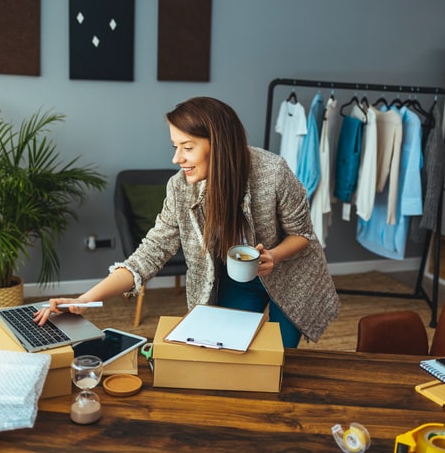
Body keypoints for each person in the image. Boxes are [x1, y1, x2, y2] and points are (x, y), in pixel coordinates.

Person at [34, 96, 340, 347]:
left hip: (289, 273)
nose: (176, 158)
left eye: (187, 147)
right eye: (175, 147)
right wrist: (85, 299)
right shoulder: (180, 188)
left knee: (279, 356)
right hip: (237, 277)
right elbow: (149, 254)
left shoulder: (273, 173)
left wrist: (274, 255)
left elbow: (302, 234)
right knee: (232, 350)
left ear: (218, 144)